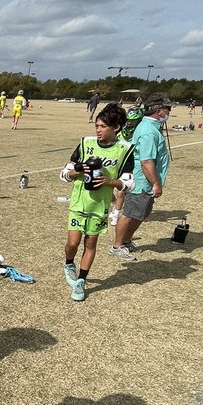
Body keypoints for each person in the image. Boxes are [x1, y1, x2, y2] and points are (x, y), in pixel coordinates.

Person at [61, 103, 134, 301]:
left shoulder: (125, 150)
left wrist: (111, 182)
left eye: (102, 126)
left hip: (100, 207)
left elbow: (129, 183)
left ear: (116, 127)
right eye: (97, 126)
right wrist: (77, 171)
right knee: (72, 243)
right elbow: (64, 174)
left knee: (90, 243)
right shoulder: (86, 143)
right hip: (78, 203)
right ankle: (69, 263)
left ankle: (81, 282)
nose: (98, 130)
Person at [110, 94, 172, 262]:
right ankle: (117, 246)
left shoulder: (153, 128)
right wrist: (155, 183)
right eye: (168, 109)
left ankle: (127, 240)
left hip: (147, 182)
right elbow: (146, 161)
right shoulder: (147, 131)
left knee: (142, 212)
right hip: (142, 181)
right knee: (130, 213)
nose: (169, 112)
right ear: (159, 111)